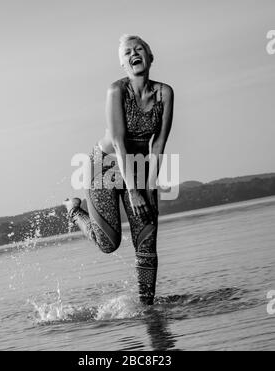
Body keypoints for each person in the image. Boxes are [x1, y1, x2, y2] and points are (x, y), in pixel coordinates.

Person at [64, 34, 174, 305]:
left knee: (147, 242)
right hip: (104, 166)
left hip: (139, 167)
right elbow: (118, 143)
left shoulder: (165, 93)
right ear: (123, 64)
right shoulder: (116, 91)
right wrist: (134, 192)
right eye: (127, 52)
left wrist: (149, 188)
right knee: (108, 244)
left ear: (150, 56)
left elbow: (158, 145)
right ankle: (73, 210)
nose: (133, 54)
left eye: (139, 49)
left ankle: (147, 308)